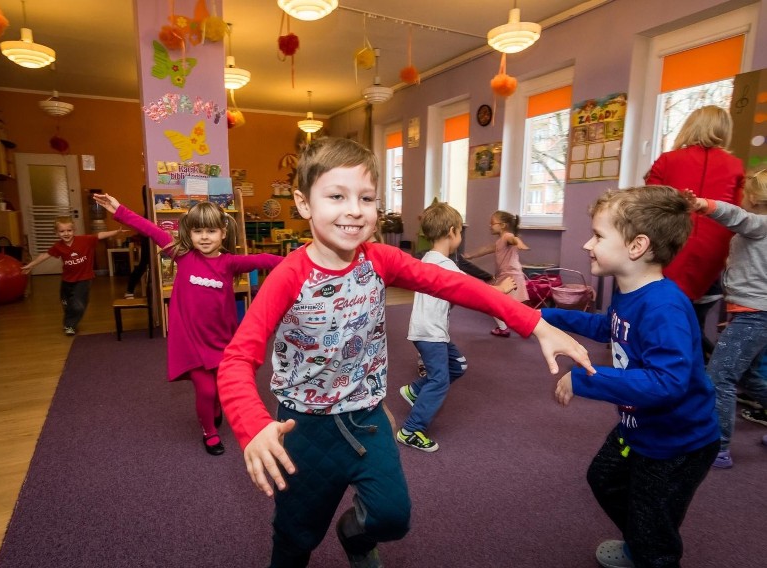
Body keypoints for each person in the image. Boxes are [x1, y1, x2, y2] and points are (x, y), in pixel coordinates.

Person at [216, 137, 595, 568]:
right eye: (336, 196)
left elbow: (455, 284)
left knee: (392, 518)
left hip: (367, 418)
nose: (355, 209)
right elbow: (235, 360)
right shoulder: (288, 277)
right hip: (302, 426)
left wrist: (534, 322)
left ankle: (355, 538)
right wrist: (253, 427)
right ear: (304, 203)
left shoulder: (379, 258)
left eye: (366, 198)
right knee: (295, 537)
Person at [541, 185, 720, 568]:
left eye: (599, 236)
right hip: (637, 426)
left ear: (636, 246)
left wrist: (585, 378)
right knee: (604, 478)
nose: (588, 244)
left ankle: (650, 549)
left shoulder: (664, 306)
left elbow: (667, 382)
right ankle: (643, 538)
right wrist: (543, 316)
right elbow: (608, 326)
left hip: (677, 442)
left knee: (653, 528)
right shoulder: (630, 292)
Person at [93, 193, 283, 456]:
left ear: (223, 231)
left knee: (218, 387)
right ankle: (210, 432)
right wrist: (119, 209)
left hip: (220, 341)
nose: (204, 237)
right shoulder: (182, 255)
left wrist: (304, 262)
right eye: (198, 231)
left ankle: (214, 409)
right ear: (189, 234)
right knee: (205, 389)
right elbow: (150, 229)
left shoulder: (230, 263)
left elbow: (267, 260)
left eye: (211, 231)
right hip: (190, 342)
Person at [397, 202, 516, 453]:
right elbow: (472, 290)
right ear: (452, 232)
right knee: (440, 381)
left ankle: (415, 390)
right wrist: (500, 290)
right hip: (430, 333)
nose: (460, 237)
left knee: (457, 366)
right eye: (461, 232)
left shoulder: (429, 259)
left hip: (427, 330)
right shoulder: (446, 265)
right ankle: (411, 430)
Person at [644, 105, 745, 360]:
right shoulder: (735, 166)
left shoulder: (668, 160)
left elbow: (649, 204)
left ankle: (665, 363)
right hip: (715, 253)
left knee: (664, 313)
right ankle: (695, 364)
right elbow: (739, 213)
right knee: (695, 317)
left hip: (671, 246)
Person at [683, 170, 767, 469]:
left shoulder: (760, 224)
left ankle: (717, 446)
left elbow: (737, 217)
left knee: (719, 377)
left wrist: (703, 205)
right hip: (753, 315)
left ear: (755, 197)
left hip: (753, 315)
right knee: (749, 376)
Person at [22, 216, 123, 336]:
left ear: (73, 230)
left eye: (69, 230)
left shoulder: (85, 240)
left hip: (84, 279)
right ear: (56, 233)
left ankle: (70, 325)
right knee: (66, 303)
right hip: (67, 280)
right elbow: (45, 255)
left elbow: (100, 235)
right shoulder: (58, 246)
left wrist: (116, 232)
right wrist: (31, 265)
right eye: (62, 231)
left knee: (78, 305)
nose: (66, 233)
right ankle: (69, 315)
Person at [463, 210, 529, 337]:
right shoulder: (500, 241)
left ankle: (506, 328)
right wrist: (470, 255)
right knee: (508, 305)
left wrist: (518, 242)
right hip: (508, 275)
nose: (490, 226)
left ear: (502, 225)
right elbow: (487, 249)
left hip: (510, 276)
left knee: (493, 301)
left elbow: (512, 238)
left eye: (492, 223)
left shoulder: (506, 236)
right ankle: (514, 326)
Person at [125, 186, 151, 299]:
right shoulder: (146, 188)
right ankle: (130, 289)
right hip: (147, 233)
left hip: (151, 231)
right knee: (144, 263)